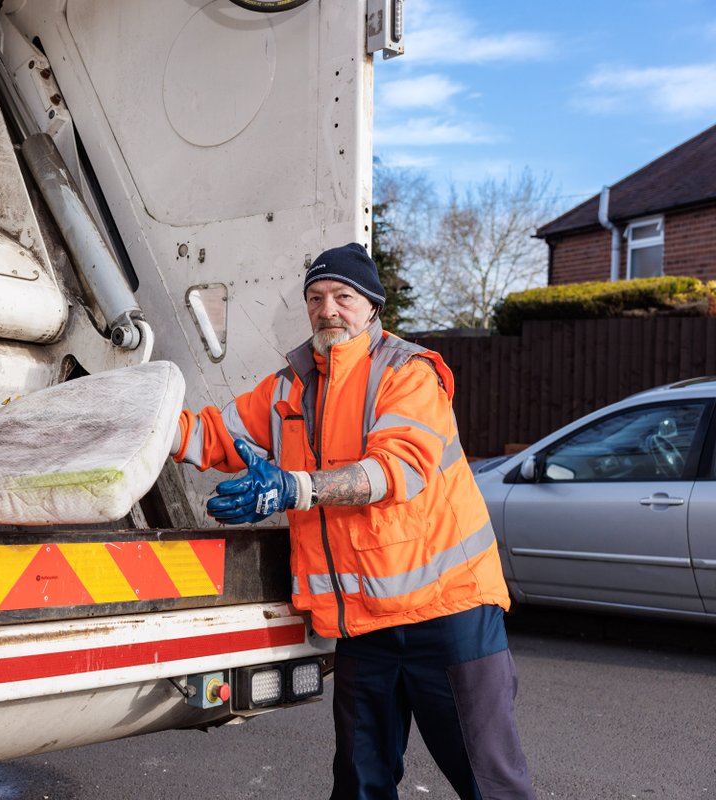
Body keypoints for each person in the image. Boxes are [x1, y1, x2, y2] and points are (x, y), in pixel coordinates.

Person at [172, 242, 535, 800]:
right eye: (316, 298)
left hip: (449, 614)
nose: (328, 309)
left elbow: (399, 470)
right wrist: (145, 432)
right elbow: (214, 433)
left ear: (372, 306)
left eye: (343, 296)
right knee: (361, 784)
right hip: (365, 628)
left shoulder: (407, 374)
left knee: (490, 783)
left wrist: (297, 487)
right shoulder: (291, 386)